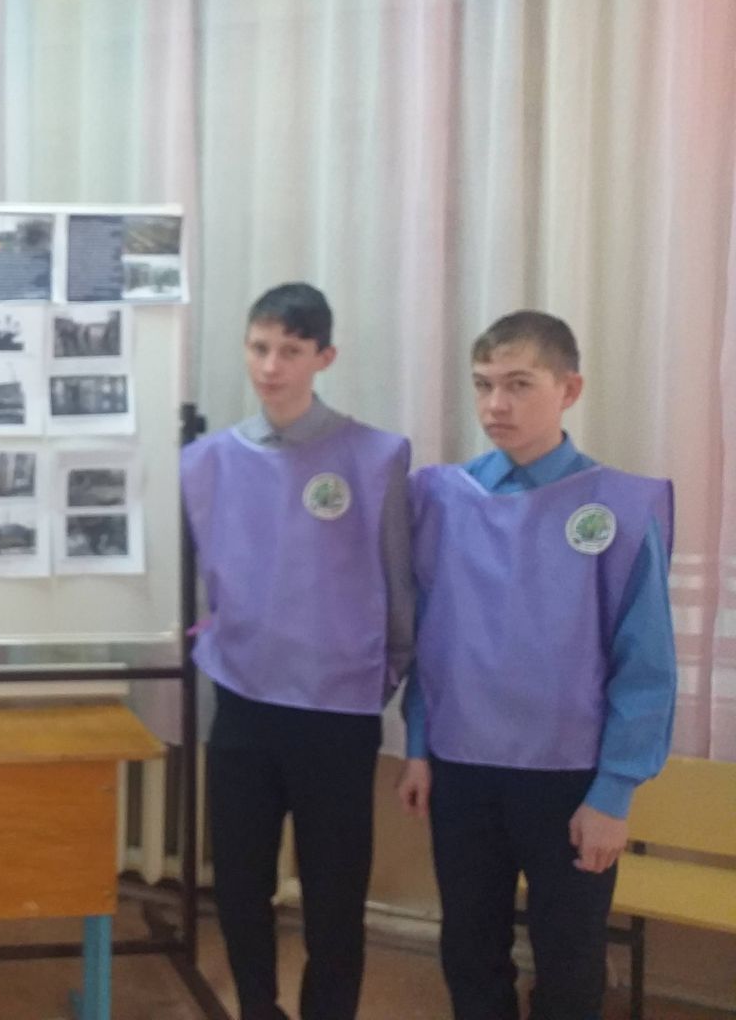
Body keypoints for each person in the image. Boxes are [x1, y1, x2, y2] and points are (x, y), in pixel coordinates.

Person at [397, 310, 675, 1020]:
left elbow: (645, 663)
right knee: (470, 951)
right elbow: (431, 636)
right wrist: (419, 746)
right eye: (483, 384)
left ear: (569, 389)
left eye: (519, 384)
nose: (496, 404)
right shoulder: (442, 499)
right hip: (462, 767)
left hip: (569, 778)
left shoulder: (616, 507)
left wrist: (614, 792)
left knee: (570, 960)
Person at [180, 282, 413, 1020]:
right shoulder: (206, 461)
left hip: (336, 713)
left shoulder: (375, 456)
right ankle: (257, 1008)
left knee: (335, 900)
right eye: (259, 347)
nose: (271, 366)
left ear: (324, 357)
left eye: (290, 350)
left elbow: (398, 585)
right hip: (244, 705)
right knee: (240, 885)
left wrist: (379, 676)